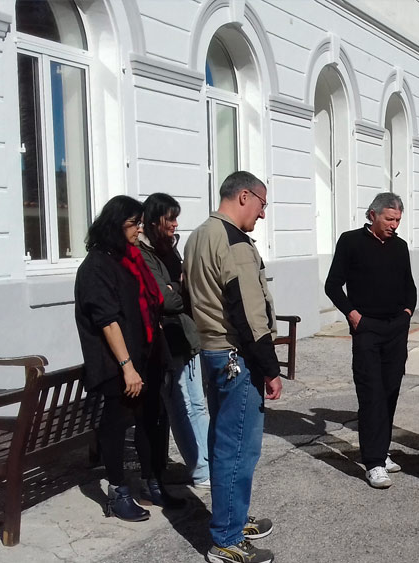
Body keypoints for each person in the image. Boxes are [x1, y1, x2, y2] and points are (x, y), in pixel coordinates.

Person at [184, 172, 282, 563]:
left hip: (212, 352)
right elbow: (248, 314)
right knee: (237, 449)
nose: (262, 213)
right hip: (235, 356)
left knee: (224, 444)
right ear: (244, 196)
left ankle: (232, 519)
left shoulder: (198, 236)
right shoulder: (234, 242)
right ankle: (225, 538)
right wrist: (270, 369)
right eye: (262, 204)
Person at [74, 195, 180, 522]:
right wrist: (127, 367)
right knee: (116, 423)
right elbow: (107, 320)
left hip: (143, 357)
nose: (138, 229)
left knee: (151, 419)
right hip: (116, 364)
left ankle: (152, 482)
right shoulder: (96, 266)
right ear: (115, 225)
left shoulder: (129, 258)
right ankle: (117, 491)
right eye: (133, 223)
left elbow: (148, 304)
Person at [324, 192, 416, 489]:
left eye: (398, 220)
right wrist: (353, 315)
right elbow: (333, 284)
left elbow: (409, 285)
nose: (394, 225)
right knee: (371, 393)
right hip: (367, 328)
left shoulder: (400, 246)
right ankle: (373, 462)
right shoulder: (351, 242)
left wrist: (407, 312)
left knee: (390, 391)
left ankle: (382, 450)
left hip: (396, 329)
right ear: (372, 215)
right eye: (389, 219)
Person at [139, 193, 210, 490]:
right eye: (171, 218)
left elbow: (184, 288)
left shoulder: (168, 248)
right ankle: (201, 470)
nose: (175, 224)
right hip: (166, 339)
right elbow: (164, 299)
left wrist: (177, 286)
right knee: (181, 405)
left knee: (198, 403)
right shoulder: (144, 253)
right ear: (155, 220)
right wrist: (177, 289)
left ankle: (208, 464)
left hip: (184, 333)